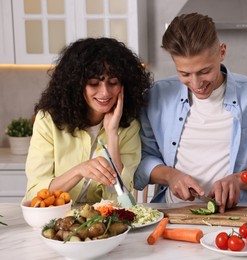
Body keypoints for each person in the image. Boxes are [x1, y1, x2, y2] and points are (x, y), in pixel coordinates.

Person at [134, 13, 247, 212]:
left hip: (239, 213)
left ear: (222, 52)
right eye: (184, 74)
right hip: (174, 213)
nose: (196, 84)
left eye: (204, 71)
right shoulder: (156, 95)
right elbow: (144, 158)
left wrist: (238, 180)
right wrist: (170, 176)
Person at [24, 37, 152, 204]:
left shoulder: (129, 126)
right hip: (57, 221)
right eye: (94, 83)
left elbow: (122, 202)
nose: (105, 92)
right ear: (77, 85)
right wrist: (79, 171)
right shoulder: (48, 121)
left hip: (100, 224)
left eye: (113, 83)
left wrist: (112, 134)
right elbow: (34, 195)